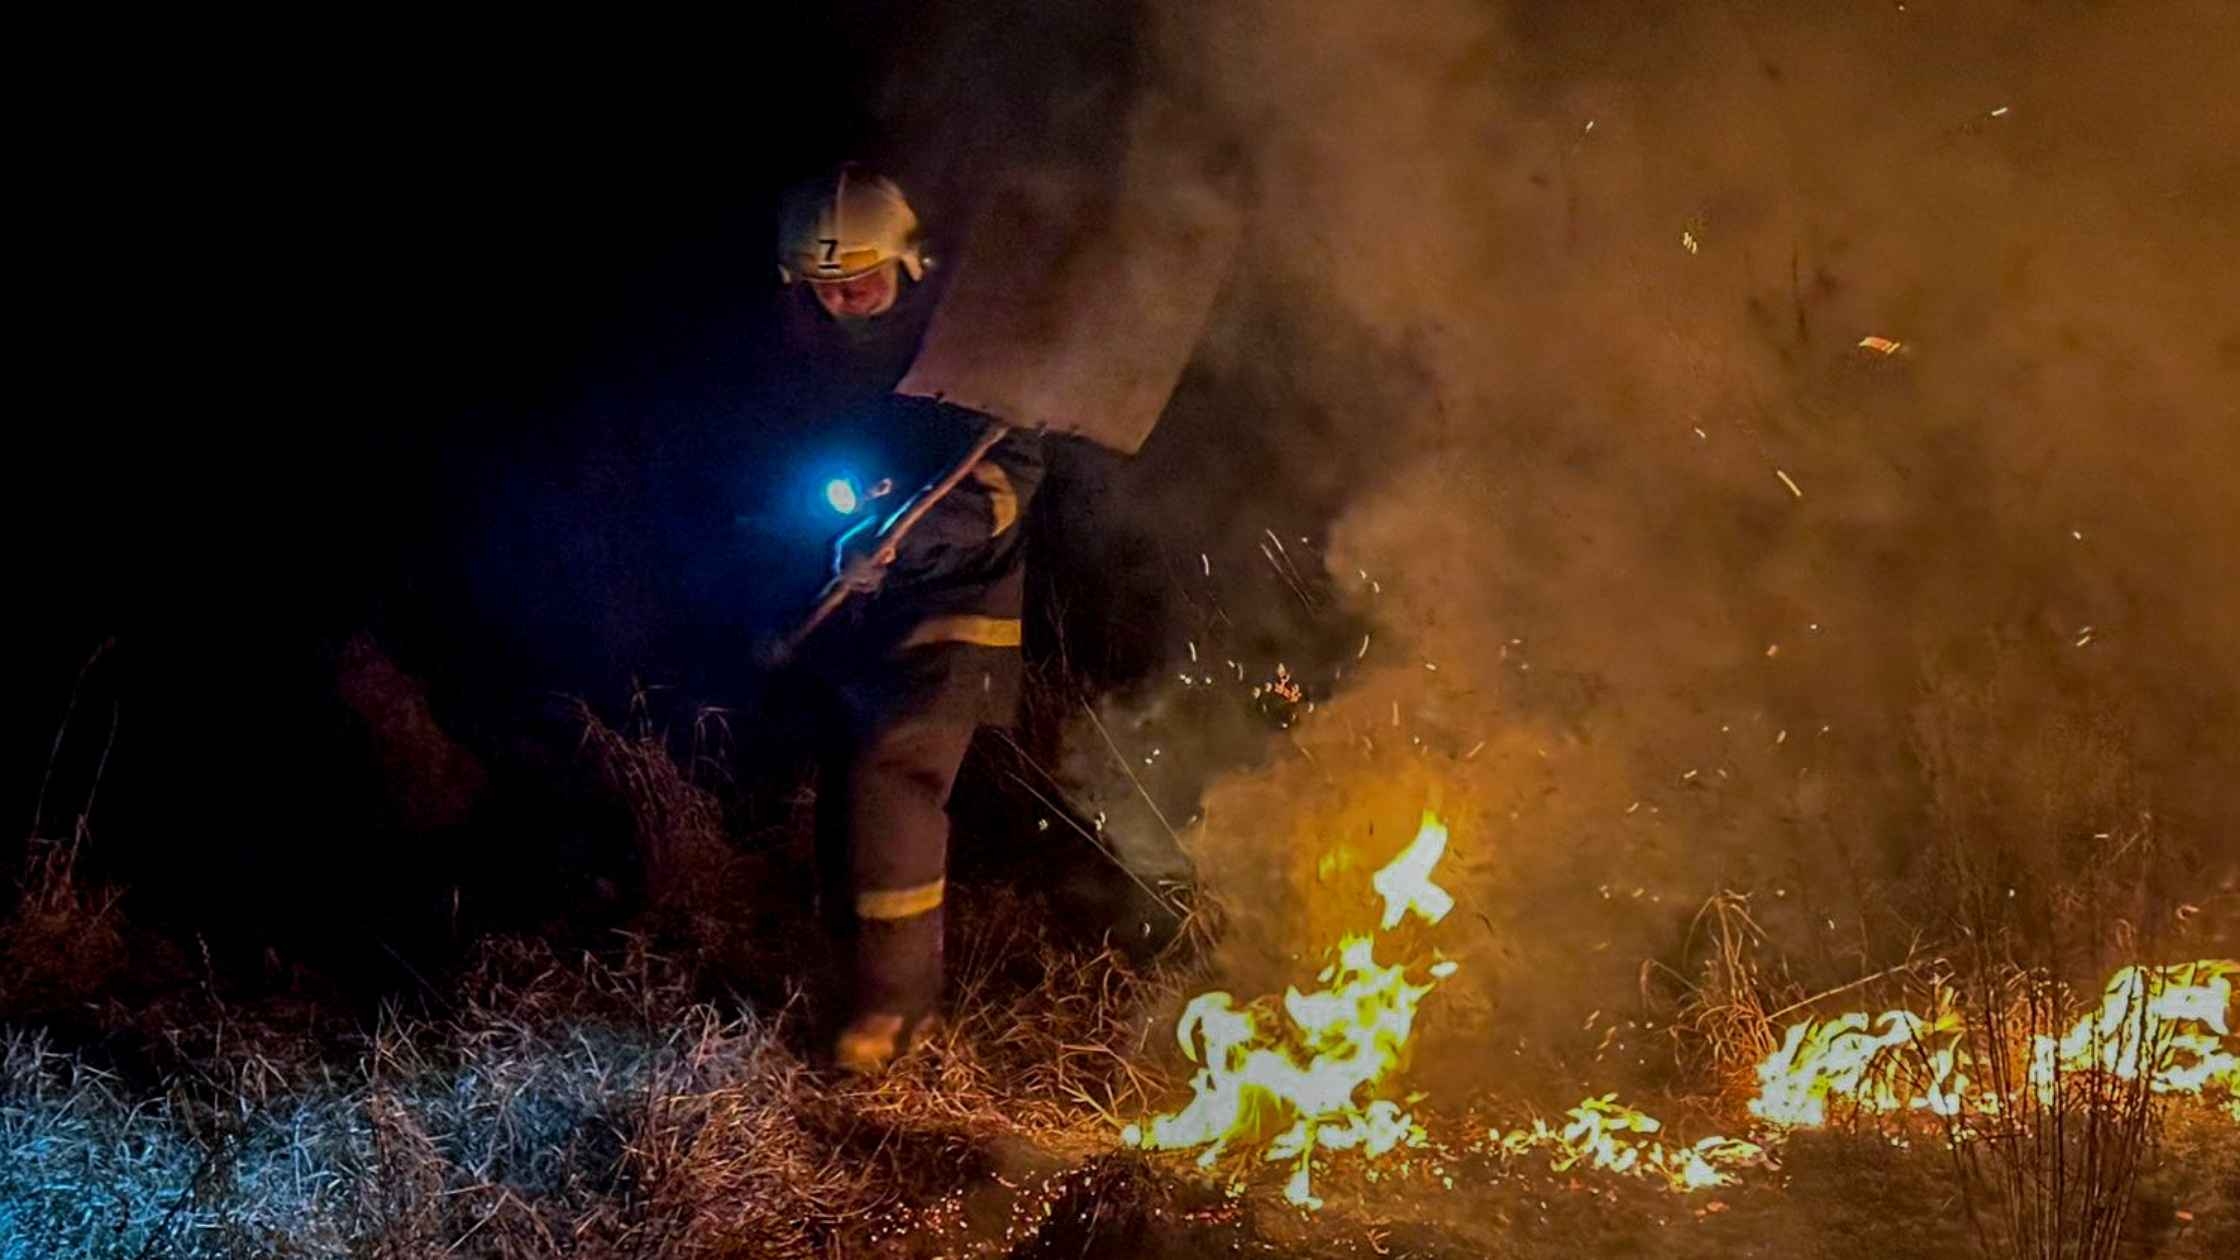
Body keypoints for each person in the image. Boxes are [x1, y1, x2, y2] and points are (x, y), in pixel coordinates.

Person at [773, 162, 1045, 1074]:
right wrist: (832, 545)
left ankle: (897, 1023)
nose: (849, 303)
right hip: (860, 622)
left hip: (963, 610)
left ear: (913, 267)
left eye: (866, 282)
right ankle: (843, 987)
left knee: (896, 774)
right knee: (847, 794)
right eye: (830, 289)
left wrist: (906, 545)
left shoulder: (972, 357)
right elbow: (782, 490)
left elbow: (1009, 489)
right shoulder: (810, 373)